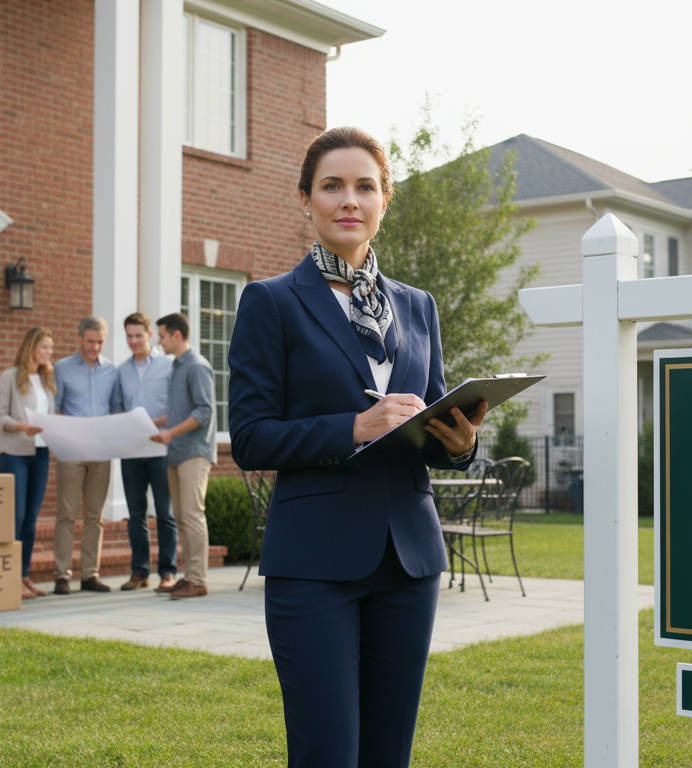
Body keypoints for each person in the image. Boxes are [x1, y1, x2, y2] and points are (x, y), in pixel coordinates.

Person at [227, 126, 486, 767]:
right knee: (327, 753)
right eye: (332, 186)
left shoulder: (417, 306)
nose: (350, 200)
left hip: (409, 560)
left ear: (384, 200)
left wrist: (458, 442)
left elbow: (426, 417)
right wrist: (354, 427)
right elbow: (251, 437)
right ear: (306, 200)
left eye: (364, 187)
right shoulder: (271, 303)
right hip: (314, 564)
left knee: (388, 754)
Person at [52, 316, 124, 595]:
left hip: (101, 451)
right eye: (90, 341)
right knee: (66, 514)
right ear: (80, 338)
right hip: (71, 452)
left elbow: (116, 408)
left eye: (100, 342)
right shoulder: (62, 368)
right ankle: (61, 575)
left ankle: (89, 575)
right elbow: (56, 409)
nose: (95, 347)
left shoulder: (112, 372)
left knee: (95, 516)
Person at [149, 313, 215, 600]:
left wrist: (171, 433)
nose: (159, 342)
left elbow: (204, 410)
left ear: (177, 335)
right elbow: (180, 410)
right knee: (181, 516)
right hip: (176, 452)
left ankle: (198, 580)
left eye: (162, 336)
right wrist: (155, 423)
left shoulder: (197, 366)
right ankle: (188, 576)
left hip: (194, 452)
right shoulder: (176, 367)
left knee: (191, 514)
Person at [116, 312, 178, 592]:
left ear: (149, 336)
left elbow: (177, 408)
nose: (133, 341)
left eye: (138, 335)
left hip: (161, 449)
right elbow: (117, 407)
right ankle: (139, 572)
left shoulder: (168, 365)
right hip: (131, 450)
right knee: (136, 514)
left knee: (165, 513)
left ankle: (168, 572)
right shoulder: (122, 370)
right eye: (129, 336)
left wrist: (153, 423)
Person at [0, 326, 56, 600]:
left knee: (31, 519)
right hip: (15, 455)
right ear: (31, 346)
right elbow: (1, 418)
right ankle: (10, 578)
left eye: (50, 349)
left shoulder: (46, 379)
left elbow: (50, 417)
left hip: (41, 455)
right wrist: (22, 426)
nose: (48, 353)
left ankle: (24, 576)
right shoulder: (9, 376)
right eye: (44, 347)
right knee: (16, 517)